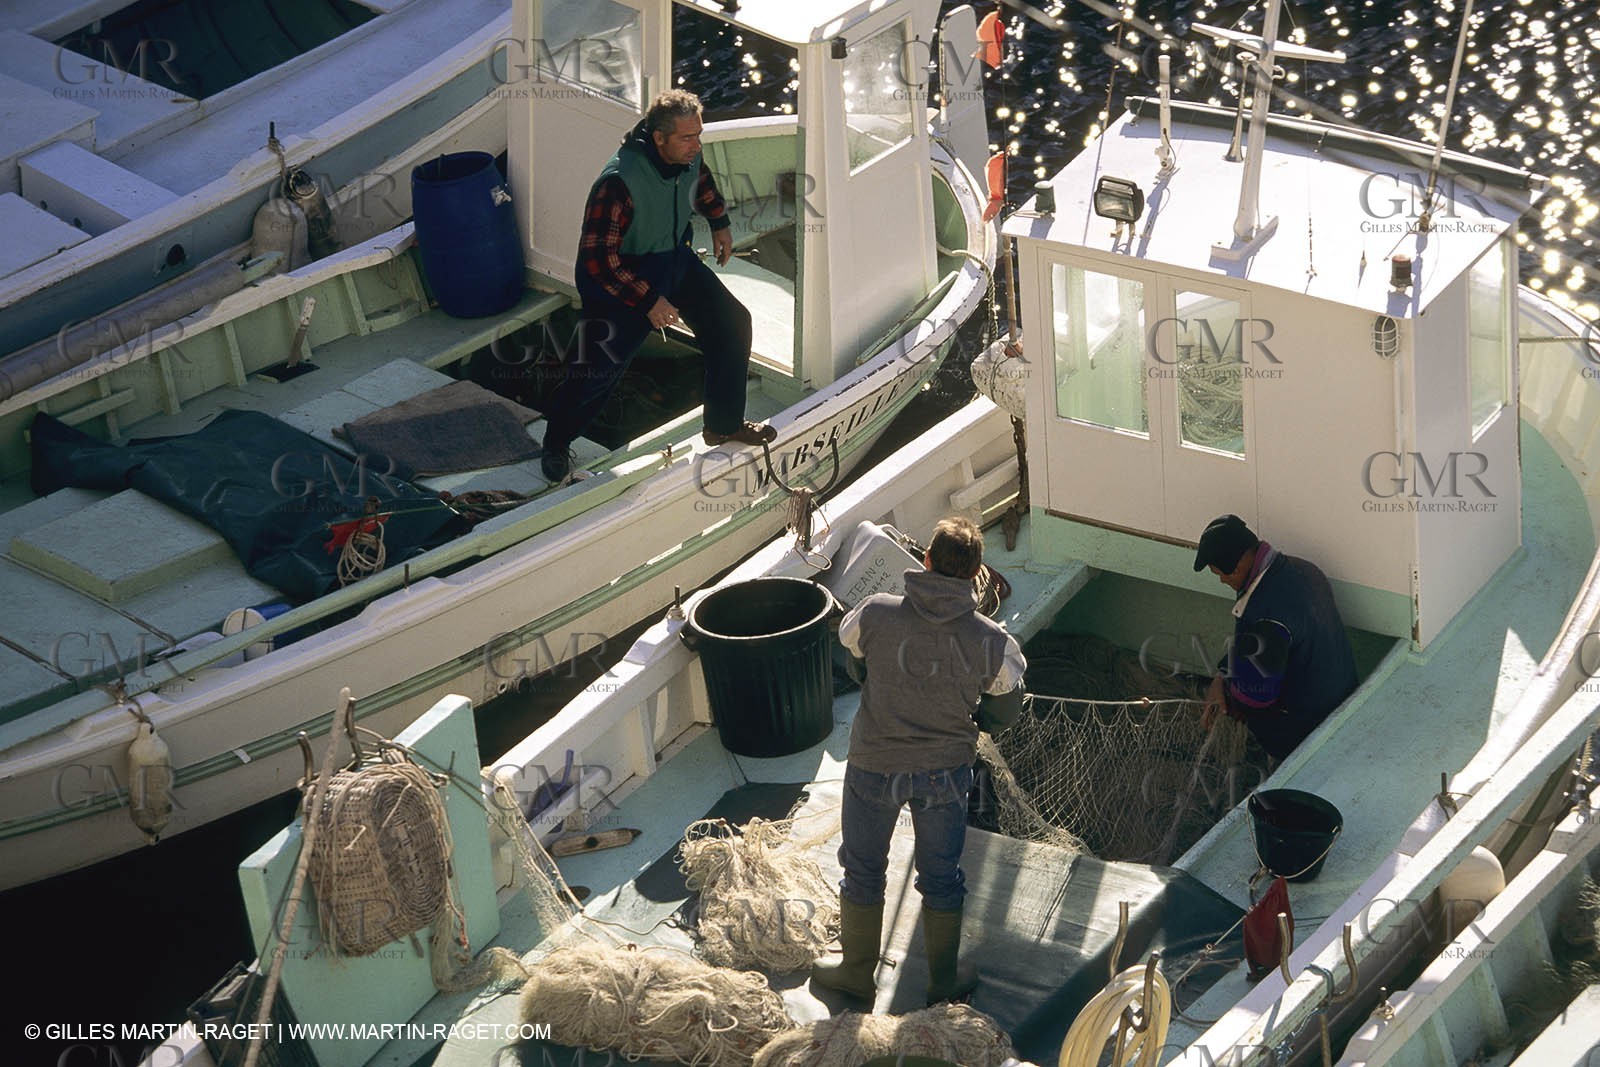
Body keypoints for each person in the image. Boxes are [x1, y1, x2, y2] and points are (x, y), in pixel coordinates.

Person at [812, 516, 1027, 1006]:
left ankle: (856, 973)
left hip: (874, 765)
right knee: (942, 876)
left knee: (863, 868)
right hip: (944, 774)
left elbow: (855, 654)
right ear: (978, 574)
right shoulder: (992, 640)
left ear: (925, 560)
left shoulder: (874, 612)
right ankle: (943, 981)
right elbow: (1005, 706)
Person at [540, 89, 775, 483]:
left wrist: (719, 222)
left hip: (672, 259)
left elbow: (700, 181)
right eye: (687, 138)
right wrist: (649, 300)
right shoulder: (617, 184)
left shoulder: (687, 153)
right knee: (598, 371)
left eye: (698, 135)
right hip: (619, 279)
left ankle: (723, 424)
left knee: (732, 323)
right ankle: (556, 442)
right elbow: (599, 261)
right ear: (658, 138)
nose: (696, 145)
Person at [1193, 514, 1358, 760]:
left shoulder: (1268, 615)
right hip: (1346, 702)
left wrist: (1233, 700)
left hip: (1309, 733)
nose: (1222, 580)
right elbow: (1254, 649)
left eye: (1221, 573)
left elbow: (1256, 697)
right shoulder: (1303, 570)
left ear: (1236, 567)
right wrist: (1221, 676)